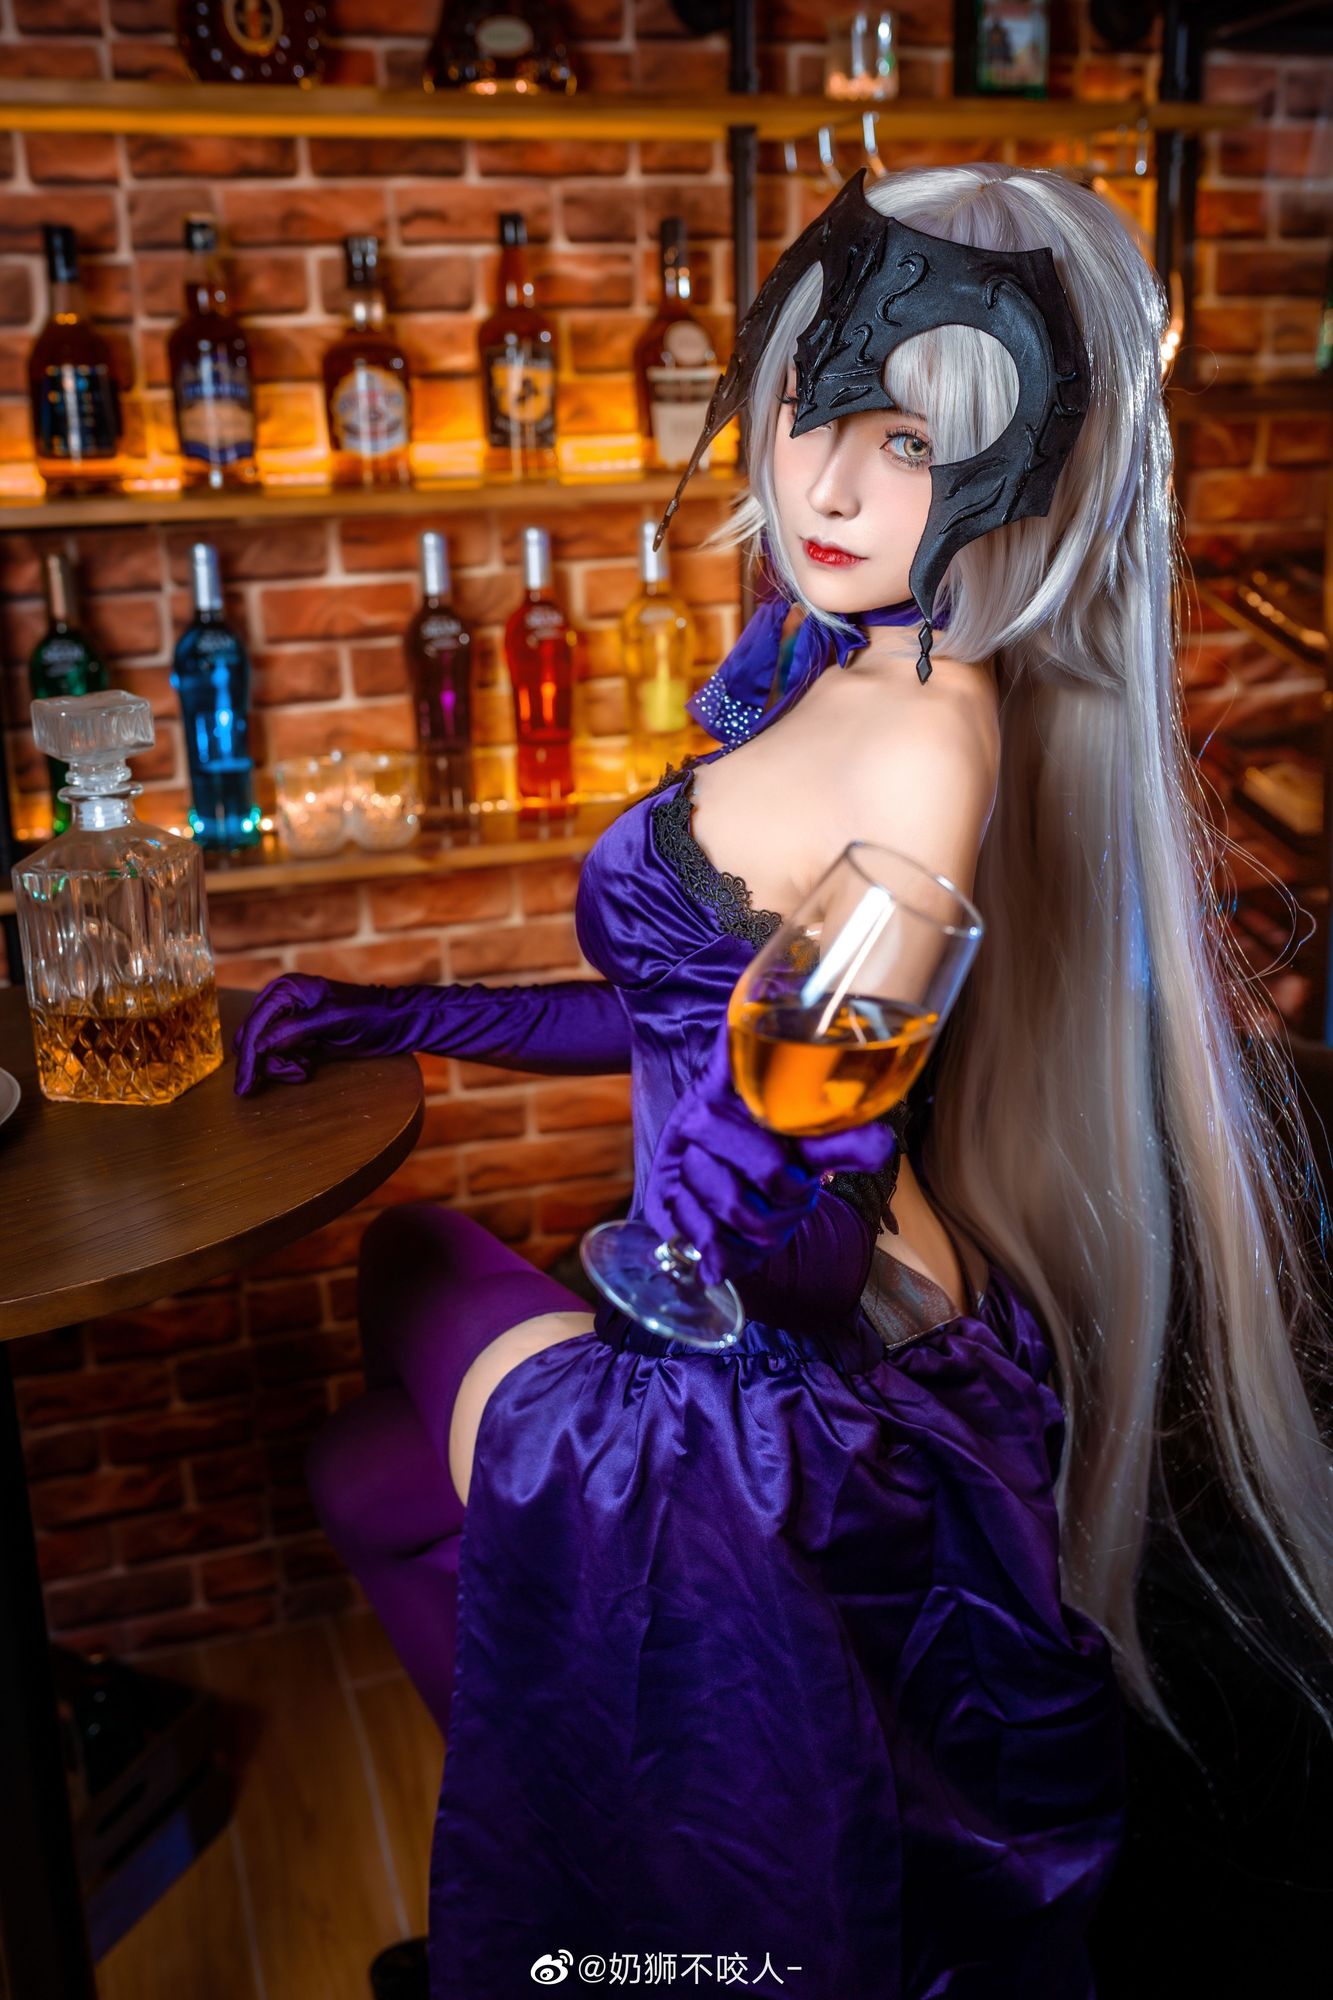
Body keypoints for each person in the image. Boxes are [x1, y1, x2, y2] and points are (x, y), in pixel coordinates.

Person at [233, 163, 1333, 2000]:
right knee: (367, 1471)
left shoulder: (922, 743)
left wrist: (705, 1224)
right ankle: (618, 1842)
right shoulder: (828, 659)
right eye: (812, 407)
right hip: (734, 1280)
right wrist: (401, 1012)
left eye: (906, 442)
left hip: (799, 1354)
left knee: (409, 1263)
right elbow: (679, 1009)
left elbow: (816, 1160)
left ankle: (634, 1887)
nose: (822, 486)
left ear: (1019, 469)